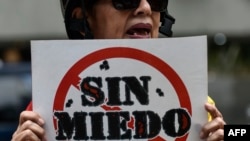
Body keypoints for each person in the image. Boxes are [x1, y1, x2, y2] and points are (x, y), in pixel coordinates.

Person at [11, 0, 226, 141]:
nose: (146, 8)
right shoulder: (42, 112)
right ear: (82, 18)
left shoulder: (200, 105)